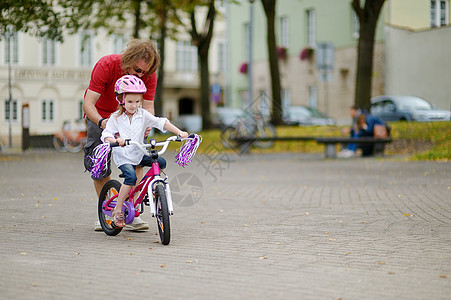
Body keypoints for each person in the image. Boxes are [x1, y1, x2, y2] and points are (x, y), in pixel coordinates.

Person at [83, 39, 159, 231]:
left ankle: (129, 211)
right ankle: (107, 210)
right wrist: (102, 122)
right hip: (100, 115)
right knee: (99, 163)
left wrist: (148, 124)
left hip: (130, 117)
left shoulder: (149, 75)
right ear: (127, 60)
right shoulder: (106, 65)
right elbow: (88, 103)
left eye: (145, 72)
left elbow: (148, 105)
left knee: (139, 159)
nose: (141, 76)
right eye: (137, 70)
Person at [101, 75, 188, 227]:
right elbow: (106, 135)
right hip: (124, 156)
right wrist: (115, 141)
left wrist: (179, 132)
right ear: (121, 100)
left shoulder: (142, 114)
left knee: (161, 162)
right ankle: (118, 208)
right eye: (129, 102)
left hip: (139, 152)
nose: (134, 105)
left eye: (137, 101)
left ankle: (154, 189)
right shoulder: (115, 118)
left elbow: (161, 122)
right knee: (131, 177)